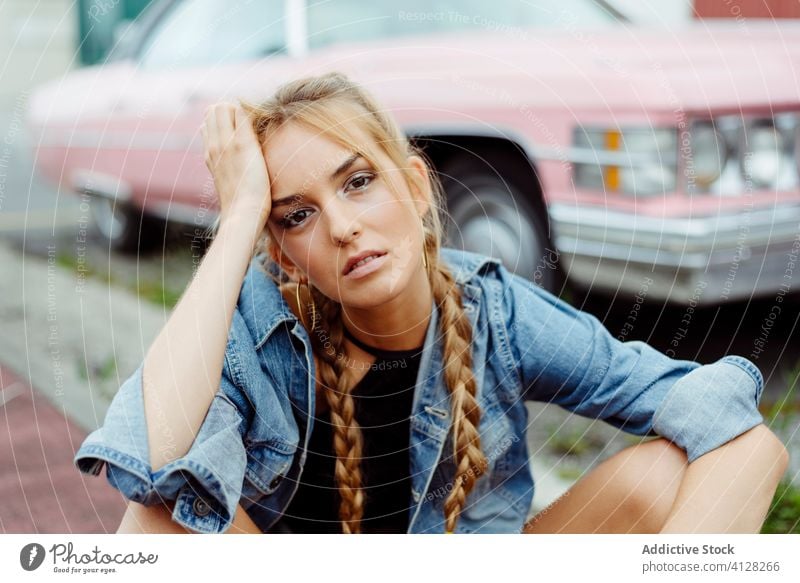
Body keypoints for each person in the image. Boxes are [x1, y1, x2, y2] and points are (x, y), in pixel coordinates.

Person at [74, 71, 788, 535]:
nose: (344, 226)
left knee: (665, 469)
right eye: (297, 215)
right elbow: (151, 455)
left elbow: (725, 420)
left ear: (416, 188)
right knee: (157, 522)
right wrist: (239, 219)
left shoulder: (495, 314)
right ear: (283, 252)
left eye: (357, 182)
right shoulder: (263, 322)